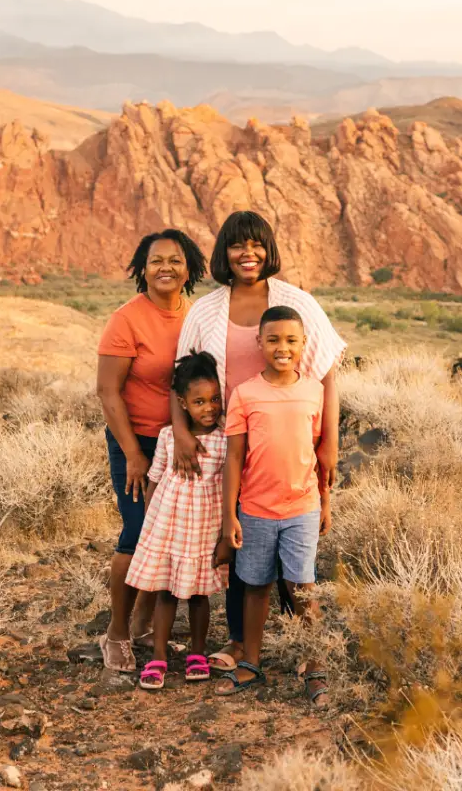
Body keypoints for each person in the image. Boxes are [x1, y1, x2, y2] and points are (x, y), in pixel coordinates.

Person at [170, 211, 345, 701]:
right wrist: (183, 432)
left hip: (288, 442)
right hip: (225, 443)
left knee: (291, 558)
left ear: (269, 249)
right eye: (236, 246)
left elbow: (327, 374)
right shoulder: (206, 310)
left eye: (257, 245)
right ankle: (243, 643)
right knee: (234, 546)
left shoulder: (296, 303)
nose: (248, 255)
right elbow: (180, 374)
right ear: (223, 252)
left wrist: (328, 442)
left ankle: (302, 646)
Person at [96, 229, 206, 672]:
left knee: (172, 536)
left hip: (181, 445)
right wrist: (134, 455)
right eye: (156, 260)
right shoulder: (127, 319)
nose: (165, 268)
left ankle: (144, 622)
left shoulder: (196, 316)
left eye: (175, 260)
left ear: (189, 269)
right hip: (137, 442)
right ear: (142, 268)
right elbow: (108, 392)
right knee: (137, 534)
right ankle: (117, 634)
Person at [215, 306, 331, 703]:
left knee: (303, 588)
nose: (283, 348)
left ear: (303, 344)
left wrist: (325, 503)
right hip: (256, 509)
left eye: (292, 340)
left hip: (302, 507)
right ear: (259, 342)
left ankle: (316, 666)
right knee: (255, 587)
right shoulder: (245, 394)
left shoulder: (314, 391)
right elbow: (233, 458)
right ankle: (251, 663)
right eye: (274, 339)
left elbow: (316, 451)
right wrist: (229, 514)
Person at [126, 351, 227, 690]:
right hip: (170, 528)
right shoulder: (170, 436)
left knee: (199, 596)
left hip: (204, 530)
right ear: (182, 403)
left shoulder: (225, 439)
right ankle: (158, 657)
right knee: (166, 592)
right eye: (199, 401)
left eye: (214, 399)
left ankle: (197, 653)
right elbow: (155, 477)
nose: (209, 407)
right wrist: (151, 524)